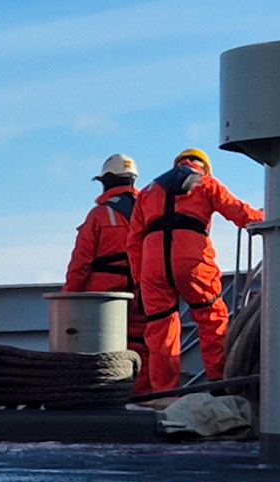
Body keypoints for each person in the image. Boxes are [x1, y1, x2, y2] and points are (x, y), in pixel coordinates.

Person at [128, 148, 261, 395]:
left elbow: (133, 241)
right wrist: (272, 219)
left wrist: (139, 281)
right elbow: (241, 214)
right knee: (212, 320)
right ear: (204, 167)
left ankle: (165, 395)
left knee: (161, 330)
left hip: (152, 265)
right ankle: (221, 388)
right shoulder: (207, 183)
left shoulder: (147, 191)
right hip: (193, 261)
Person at [65, 153, 149, 389]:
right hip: (145, 293)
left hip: (105, 298)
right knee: (143, 346)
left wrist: (69, 300)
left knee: (104, 351)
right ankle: (142, 397)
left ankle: (109, 396)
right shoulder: (151, 212)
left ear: (107, 180)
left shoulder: (99, 215)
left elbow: (80, 264)